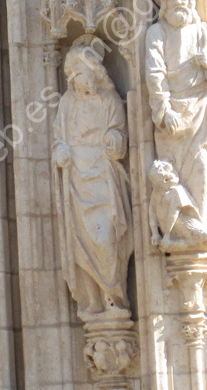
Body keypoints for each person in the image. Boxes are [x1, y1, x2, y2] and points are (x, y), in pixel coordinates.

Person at [53, 36, 132, 320]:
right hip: (78, 180)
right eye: (71, 76)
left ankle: (115, 297)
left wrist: (113, 138)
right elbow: (59, 139)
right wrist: (60, 151)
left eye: (78, 73)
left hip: (103, 176)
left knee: (107, 237)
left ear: (93, 72)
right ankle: (93, 299)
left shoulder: (110, 100)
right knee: (82, 241)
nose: (75, 80)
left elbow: (118, 132)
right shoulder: (66, 105)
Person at [146, 0, 207, 232]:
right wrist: (164, 109)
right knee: (171, 174)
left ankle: (200, 232)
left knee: (202, 165)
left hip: (200, 112)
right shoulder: (156, 33)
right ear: (164, 1)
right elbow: (154, 73)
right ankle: (176, 232)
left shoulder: (201, 33)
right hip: (173, 118)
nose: (180, 1)